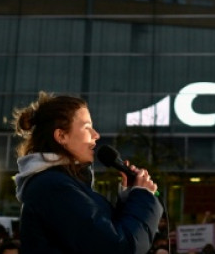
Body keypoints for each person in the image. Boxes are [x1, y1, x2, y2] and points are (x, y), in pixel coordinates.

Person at [13, 92, 162, 253]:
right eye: (87, 128)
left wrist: (130, 198)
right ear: (61, 136)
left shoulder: (63, 184)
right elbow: (118, 248)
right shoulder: (54, 187)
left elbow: (102, 236)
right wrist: (143, 197)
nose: (96, 135)